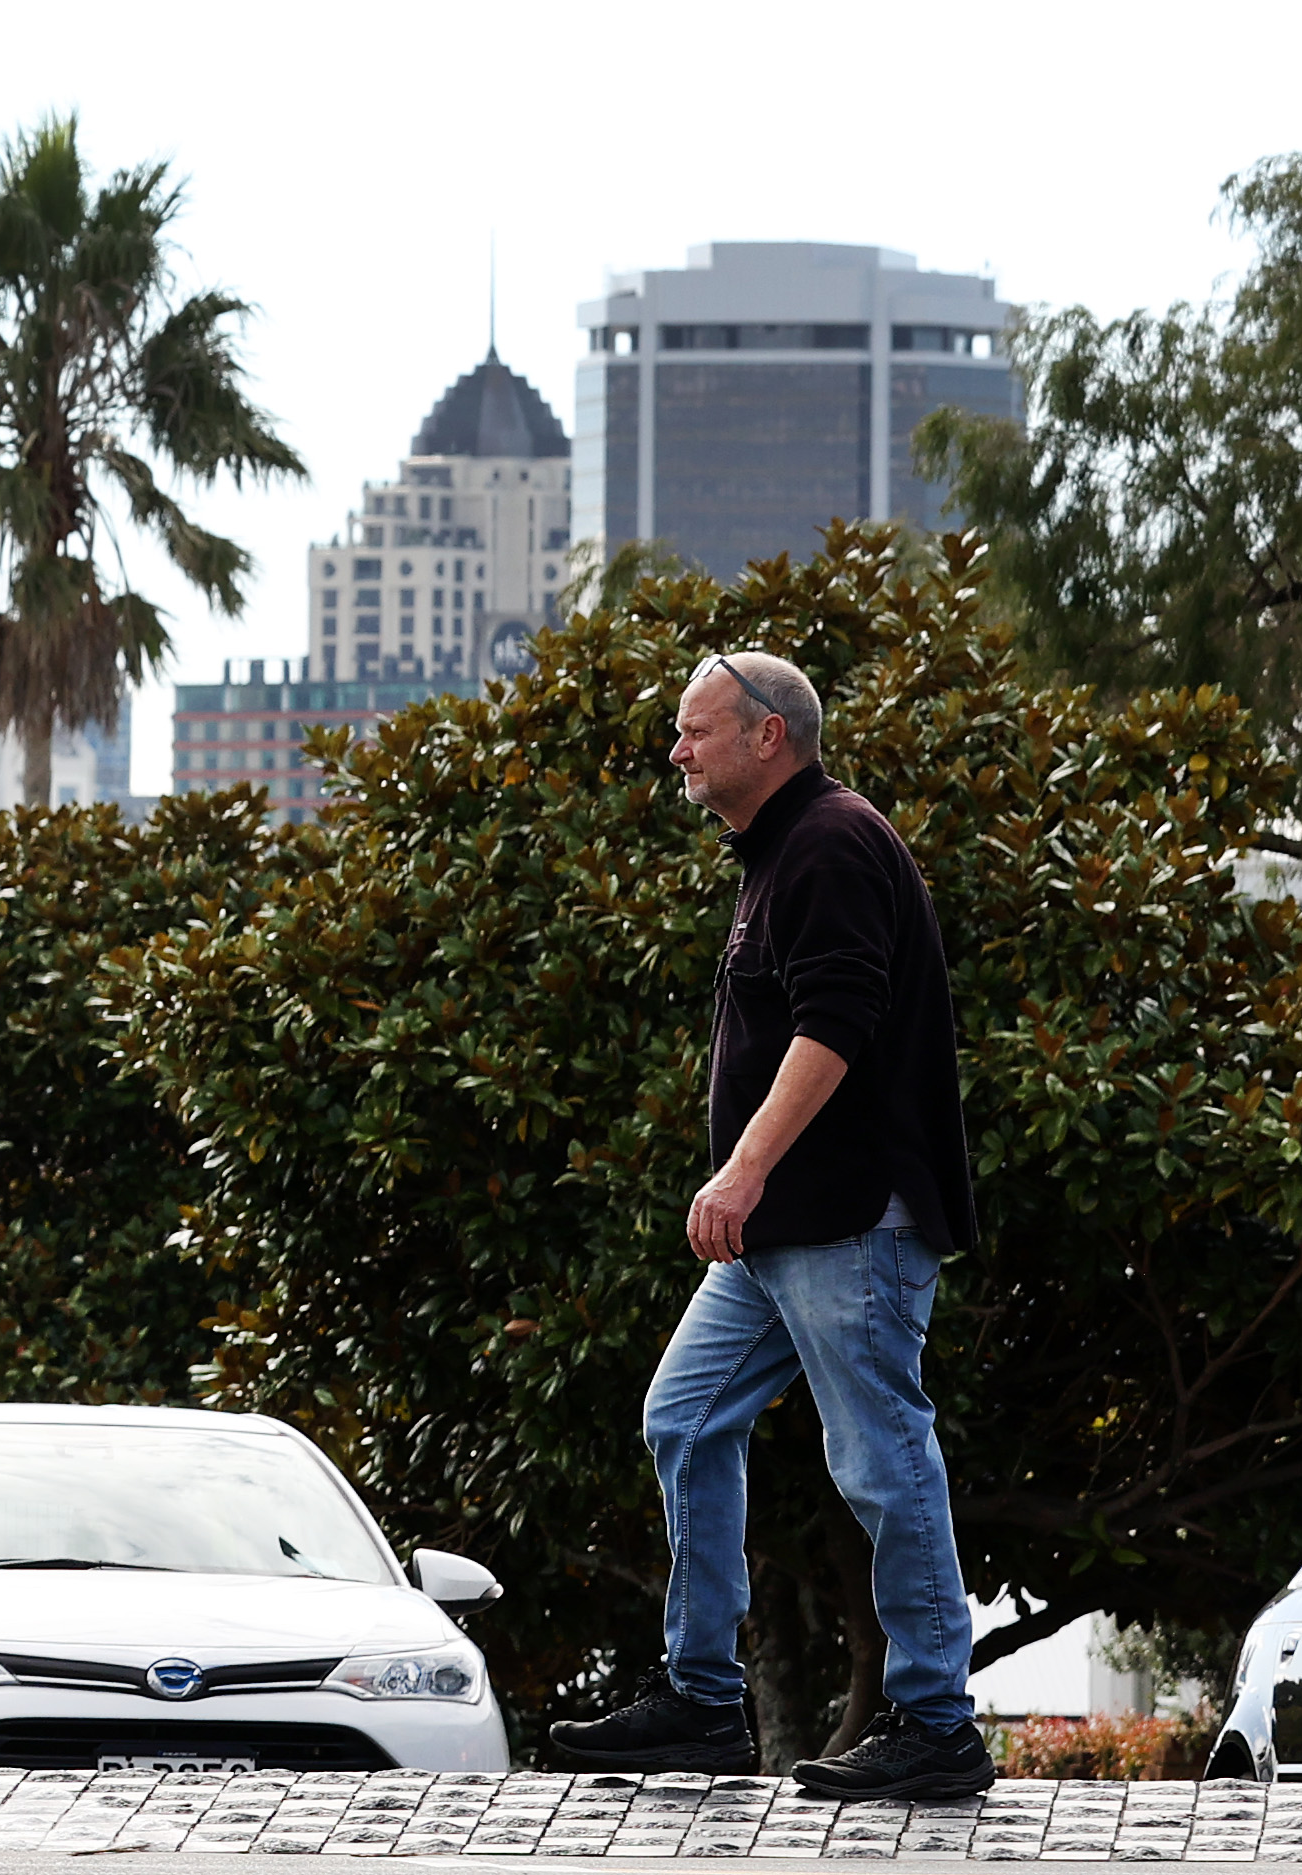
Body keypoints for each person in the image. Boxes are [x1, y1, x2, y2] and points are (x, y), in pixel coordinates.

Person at [544, 651, 991, 1799]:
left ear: (767, 739)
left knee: (882, 1458)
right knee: (684, 1419)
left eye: (693, 733)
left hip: (845, 1220)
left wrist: (737, 1175)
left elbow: (834, 1026)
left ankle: (936, 1724)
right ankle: (699, 1702)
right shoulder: (776, 852)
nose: (674, 752)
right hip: (782, 1232)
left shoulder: (830, 841)